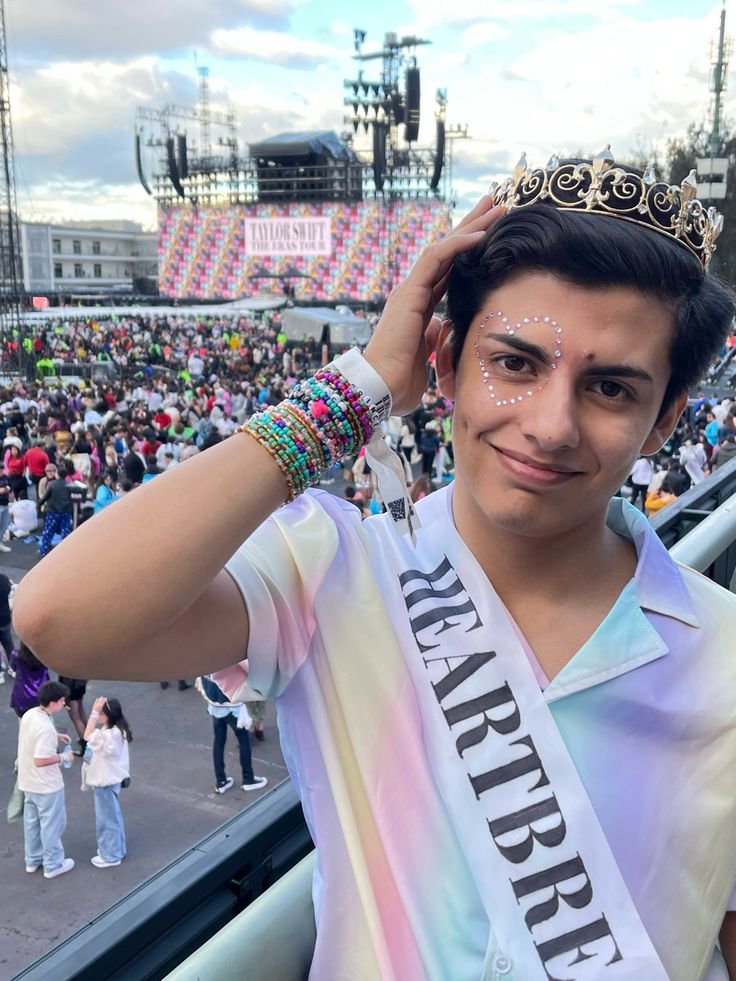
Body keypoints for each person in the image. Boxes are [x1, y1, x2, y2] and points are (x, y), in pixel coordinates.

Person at [14, 155, 736, 978]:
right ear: (444, 362)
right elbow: (57, 618)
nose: (550, 424)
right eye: (515, 362)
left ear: (663, 420)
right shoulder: (332, 570)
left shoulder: (727, 657)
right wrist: (356, 388)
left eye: (609, 388)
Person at [16, 679, 75, 878]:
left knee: (31, 823)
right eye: (61, 701)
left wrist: (56, 735)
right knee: (52, 825)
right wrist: (63, 756)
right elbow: (41, 760)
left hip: (27, 782)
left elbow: (34, 736)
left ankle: (32, 860)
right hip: (46, 786)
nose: (63, 705)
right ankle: (53, 864)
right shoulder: (45, 728)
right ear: (52, 703)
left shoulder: (30, 714)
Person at [195, 673, 267, 793]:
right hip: (233, 705)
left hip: (214, 704)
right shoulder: (223, 657)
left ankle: (221, 781)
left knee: (219, 741)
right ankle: (248, 779)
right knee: (244, 739)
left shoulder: (203, 657)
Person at [82, 695, 131, 868]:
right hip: (111, 780)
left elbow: (87, 734)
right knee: (113, 817)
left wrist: (93, 713)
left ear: (109, 715)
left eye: (101, 713)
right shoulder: (118, 731)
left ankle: (111, 855)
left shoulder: (109, 735)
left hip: (105, 781)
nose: (98, 716)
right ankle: (117, 849)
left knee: (107, 820)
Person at [10, 643, 49, 717]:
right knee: (43, 721)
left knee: (25, 724)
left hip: (22, 698)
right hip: (43, 694)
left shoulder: (16, 655)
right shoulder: (44, 654)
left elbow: (13, 668)